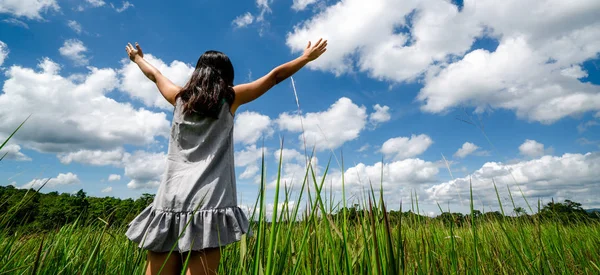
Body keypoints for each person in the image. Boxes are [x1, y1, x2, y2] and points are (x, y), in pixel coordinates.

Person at [123, 38, 328, 275]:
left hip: (171, 199)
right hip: (209, 200)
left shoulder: (179, 98)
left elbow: (155, 75)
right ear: (226, 75)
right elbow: (274, 77)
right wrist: (305, 58)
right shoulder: (230, 98)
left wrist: (137, 58)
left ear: (198, 72)